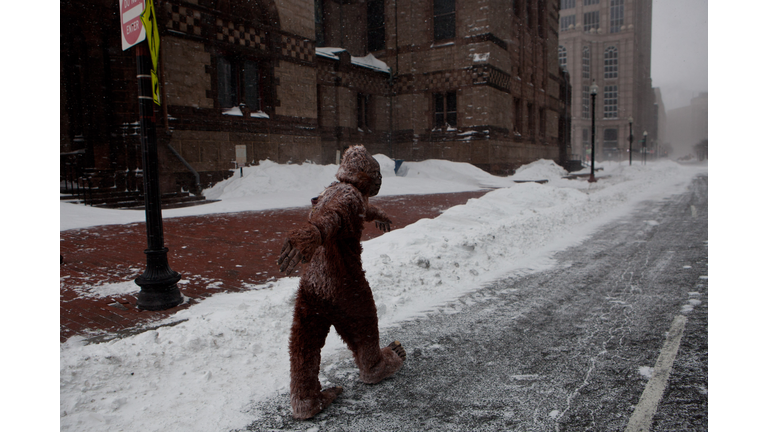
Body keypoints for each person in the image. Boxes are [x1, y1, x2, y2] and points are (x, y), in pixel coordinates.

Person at [277, 145, 406, 420]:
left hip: (313, 285)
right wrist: (313, 232)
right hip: (345, 288)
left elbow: (352, 209)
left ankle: (304, 399)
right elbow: (335, 217)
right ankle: (375, 365)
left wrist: (378, 214)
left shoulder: (333, 190)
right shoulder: (350, 198)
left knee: (305, 343)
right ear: (368, 180)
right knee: (365, 325)